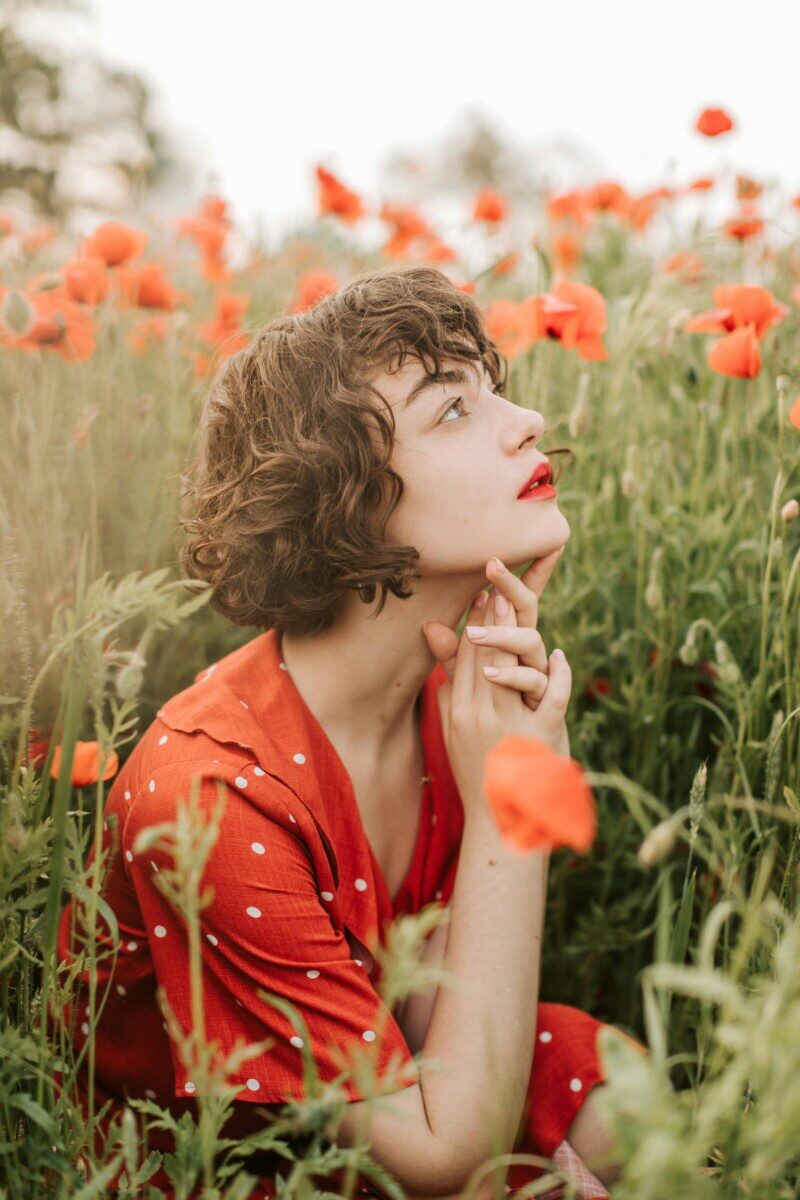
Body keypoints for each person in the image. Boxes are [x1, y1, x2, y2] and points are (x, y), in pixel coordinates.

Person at [56, 265, 646, 1199]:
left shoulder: (455, 698)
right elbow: (446, 1158)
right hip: (234, 1168)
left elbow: (437, 1009)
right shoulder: (214, 793)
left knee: (648, 1116)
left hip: (398, 1084)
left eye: (490, 393)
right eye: (452, 412)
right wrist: (514, 806)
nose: (526, 421)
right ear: (347, 503)